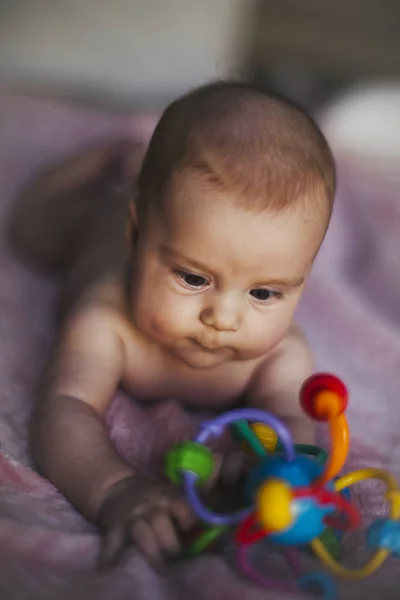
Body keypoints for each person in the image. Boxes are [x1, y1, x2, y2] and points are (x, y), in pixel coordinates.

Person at [10, 81, 336, 572]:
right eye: (192, 277)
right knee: (29, 229)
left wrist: (266, 470)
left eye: (264, 292)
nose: (223, 319)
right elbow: (65, 408)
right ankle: (101, 164)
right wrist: (117, 488)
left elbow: (294, 432)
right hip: (93, 231)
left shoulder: (279, 356)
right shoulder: (106, 322)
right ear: (137, 235)